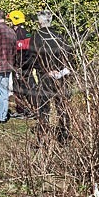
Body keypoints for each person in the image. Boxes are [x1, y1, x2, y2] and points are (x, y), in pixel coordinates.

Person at [32, 10, 73, 142]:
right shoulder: (60, 36)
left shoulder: (36, 37)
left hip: (46, 76)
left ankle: (43, 137)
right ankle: (65, 134)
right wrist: (63, 70)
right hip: (62, 76)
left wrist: (45, 71)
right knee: (62, 106)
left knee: (44, 107)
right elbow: (71, 56)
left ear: (40, 21)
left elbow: (33, 58)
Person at [7, 10, 37, 118]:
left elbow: (19, 52)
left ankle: (26, 110)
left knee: (22, 89)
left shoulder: (18, 35)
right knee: (28, 88)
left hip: (20, 67)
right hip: (27, 65)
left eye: (10, 20)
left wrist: (18, 66)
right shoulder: (28, 33)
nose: (9, 23)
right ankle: (28, 110)